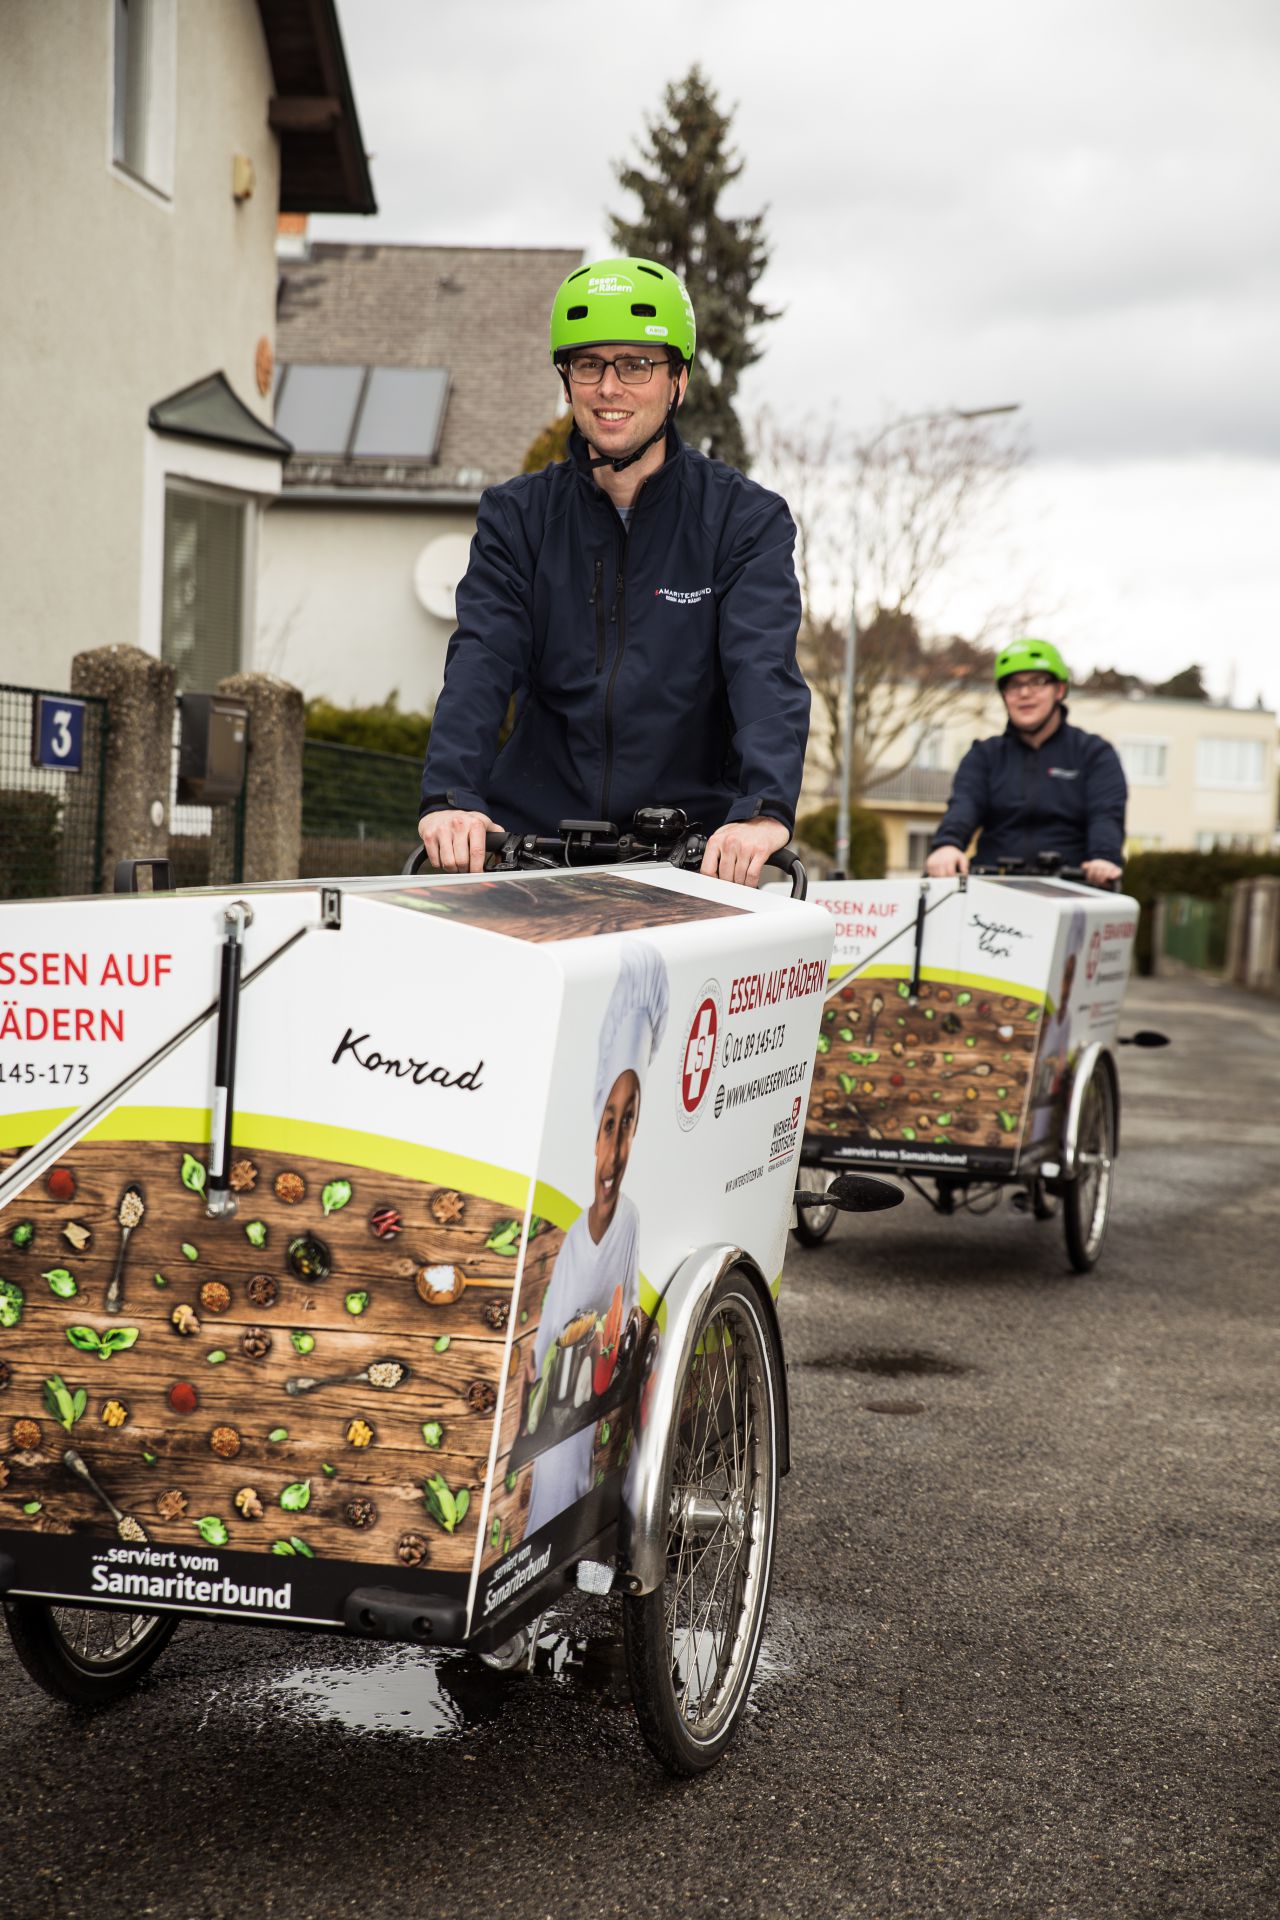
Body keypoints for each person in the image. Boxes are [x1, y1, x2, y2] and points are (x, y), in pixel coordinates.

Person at [417, 256, 810, 889]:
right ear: (566, 380)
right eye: (589, 364)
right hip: (536, 843)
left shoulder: (746, 520)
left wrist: (763, 812)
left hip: (689, 849)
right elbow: (482, 659)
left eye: (636, 365)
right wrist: (452, 796)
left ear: (677, 380)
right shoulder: (516, 516)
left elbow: (761, 670)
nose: (609, 387)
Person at [524, 941, 668, 1538]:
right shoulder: (560, 1238)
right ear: (593, 1133)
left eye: (628, 1121)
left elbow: (624, 1315)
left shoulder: (630, 1220)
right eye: (608, 1124)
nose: (616, 1148)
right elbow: (538, 1364)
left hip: (597, 1428)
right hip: (554, 1438)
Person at [925, 640, 1126, 885]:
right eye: (1013, 685)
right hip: (994, 888)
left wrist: (1104, 857)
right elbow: (964, 804)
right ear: (1004, 695)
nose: (1025, 693)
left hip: (1072, 887)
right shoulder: (984, 755)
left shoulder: (1094, 753)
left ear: (1059, 690)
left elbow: (1106, 814)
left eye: (1038, 682)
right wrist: (948, 844)